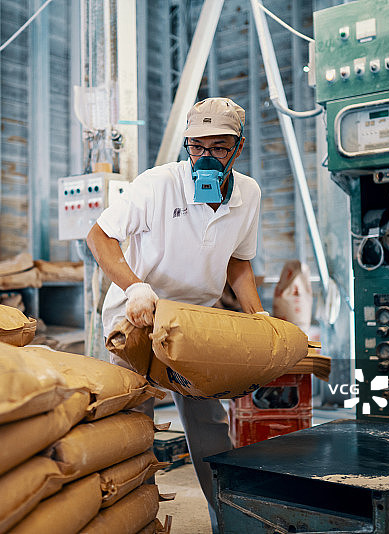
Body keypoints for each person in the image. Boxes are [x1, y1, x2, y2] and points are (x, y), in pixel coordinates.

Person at [86, 97, 266, 531]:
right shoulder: (157, 184)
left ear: (238, 148)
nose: (205, 158)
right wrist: (135, 287)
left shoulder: (248, 194)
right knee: (132, 423)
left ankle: (228, 519)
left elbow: (239, 263)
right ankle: (133, 521)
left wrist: (259, 319)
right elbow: (99, 236)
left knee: (208, 426)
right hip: (137, 314)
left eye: (219, 148)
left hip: (193, 320)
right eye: (196, 147)